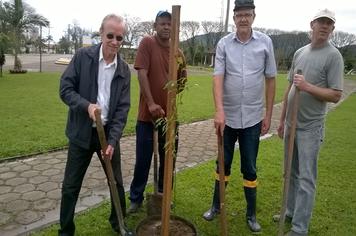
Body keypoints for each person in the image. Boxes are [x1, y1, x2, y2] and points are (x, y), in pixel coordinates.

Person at [203, 0, 277, 232]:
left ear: (254, 16)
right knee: (222, 163)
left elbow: (271, 79)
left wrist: (268, 114)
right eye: (239, 15)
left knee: (250, 166)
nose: (243, 18)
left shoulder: (266, 42)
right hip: (228, 117)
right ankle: (216, 206)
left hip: (253, 118)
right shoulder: (224, 44)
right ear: (234, 18)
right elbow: (217, 77)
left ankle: (251, 214)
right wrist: (219, 110)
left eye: (247, 14)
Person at [59, 14, 131, 235]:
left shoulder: (124, 69)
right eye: (110, 35)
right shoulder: (83, 56)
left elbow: (122, 109)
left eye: (120, 37)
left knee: (116, 183)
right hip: (81, 133)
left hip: (107, 134)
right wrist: (87, 106)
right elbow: (65, 89)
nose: (115, 42)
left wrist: (112, 140)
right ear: (101, 33)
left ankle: (118, 223)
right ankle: (66, 230)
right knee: (71, 186)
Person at [274, 8, 343, 236]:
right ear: (312, 25)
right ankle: (290, 211)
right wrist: (282, 120)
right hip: (292, 124)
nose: (324, 26)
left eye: (329, 24)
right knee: (291, 173)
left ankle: (299, 228)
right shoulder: (300, 52)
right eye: (321, 22)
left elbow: (335, 94)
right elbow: (290, 87)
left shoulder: (334, 56)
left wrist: (307, 87)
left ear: (332, 30)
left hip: (311, 128)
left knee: (306, 178)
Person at [128, 10, 187, 213]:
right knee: (143, 160)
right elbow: (141, 73)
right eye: (162, 24)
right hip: (147, 116)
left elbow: (181, 82)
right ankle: (135, 198)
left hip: (170, 119)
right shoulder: (147, 43)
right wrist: (152, 103)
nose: (166, 27)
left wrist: (169, 99)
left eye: (170, 24)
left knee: (168, 159)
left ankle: (163, 195)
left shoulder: (178, 53)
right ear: (155, 26)